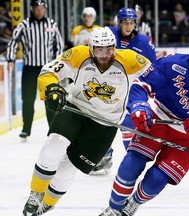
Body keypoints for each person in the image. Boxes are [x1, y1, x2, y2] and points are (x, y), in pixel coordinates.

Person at [99, 28, 189, 216]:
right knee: (132, 164)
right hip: (158, 119)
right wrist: (139, 106)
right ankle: (113, 209)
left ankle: (133, 204)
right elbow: (141, 85)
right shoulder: (171, 62)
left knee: (158, 178)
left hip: (188, 133)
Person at [21, 26, 151, 216]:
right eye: (99, 49)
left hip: (106, 124)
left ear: (115, 47)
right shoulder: (78, 54)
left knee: (70, 166)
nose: (105, 54)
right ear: (90, 48)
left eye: (109, 49)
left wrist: (148, 105)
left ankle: (48, 202)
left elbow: (157, 77)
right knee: (55, 144)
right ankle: (36, 193)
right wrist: (51, 88)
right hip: (77, 109)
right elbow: (49, 70)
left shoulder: (130, 60)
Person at [89, 7, 156, 175]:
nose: (128, 26)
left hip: (130, 90)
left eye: (131, 23)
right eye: (125, 23)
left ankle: (132, 159)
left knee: (129, 126)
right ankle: (105, 156)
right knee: (101, 125)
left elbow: (153, 69)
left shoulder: (144, 42)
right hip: (107, 90)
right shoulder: (108, 35)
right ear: (119, 23)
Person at [6, 0, 64, 141]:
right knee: (27, 99)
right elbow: (13, 42)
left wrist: (58, 65)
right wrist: (10, 59)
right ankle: (26, 129)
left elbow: (60, 45)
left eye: (42, 8)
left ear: (45, 9)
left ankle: (53, 129)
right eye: (37, 8)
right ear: (32, 9)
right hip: (29, 68)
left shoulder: (52, 24)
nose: (39, 11)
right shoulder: (24, 25)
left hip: (47, 69)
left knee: (51, 99)